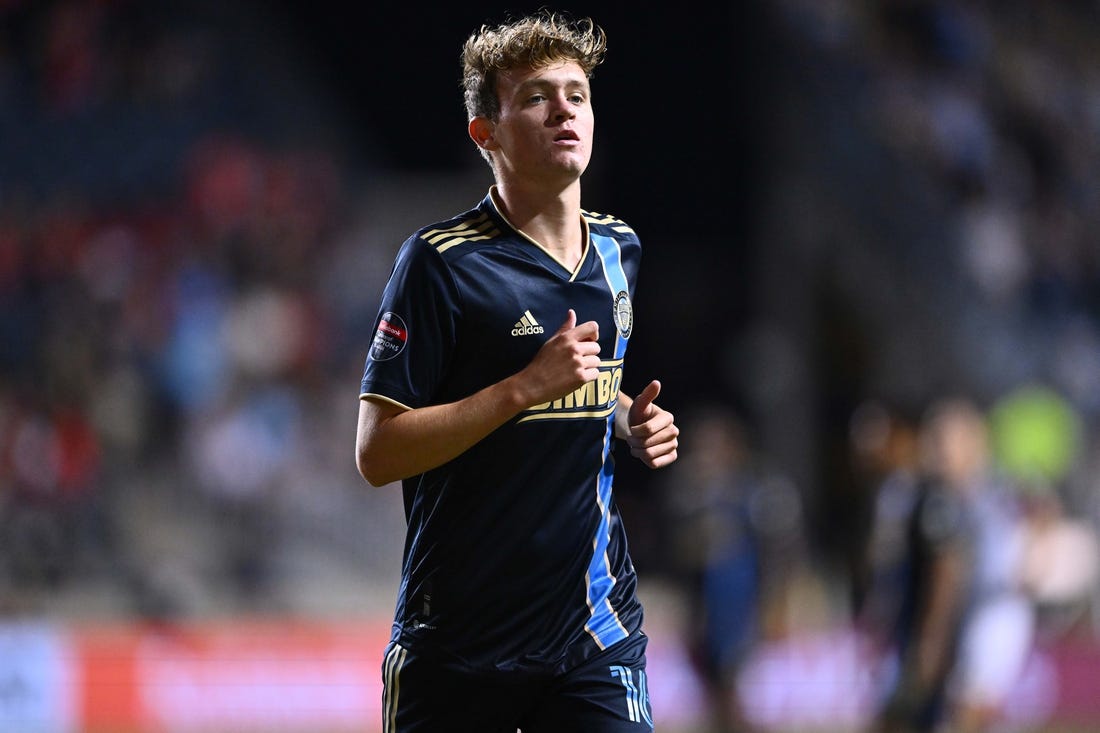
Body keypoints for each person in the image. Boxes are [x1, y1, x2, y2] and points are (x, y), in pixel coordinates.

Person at [355, 11, 679, 732]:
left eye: (577, 94)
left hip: (595, 634)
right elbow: (377, 451)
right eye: (537, 96)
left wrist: (629, 418)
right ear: (487, 132)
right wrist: (522, 388)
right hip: (458, 647)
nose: (565, 109)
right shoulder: (441, 263)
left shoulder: (618, 250)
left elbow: (585, 377)